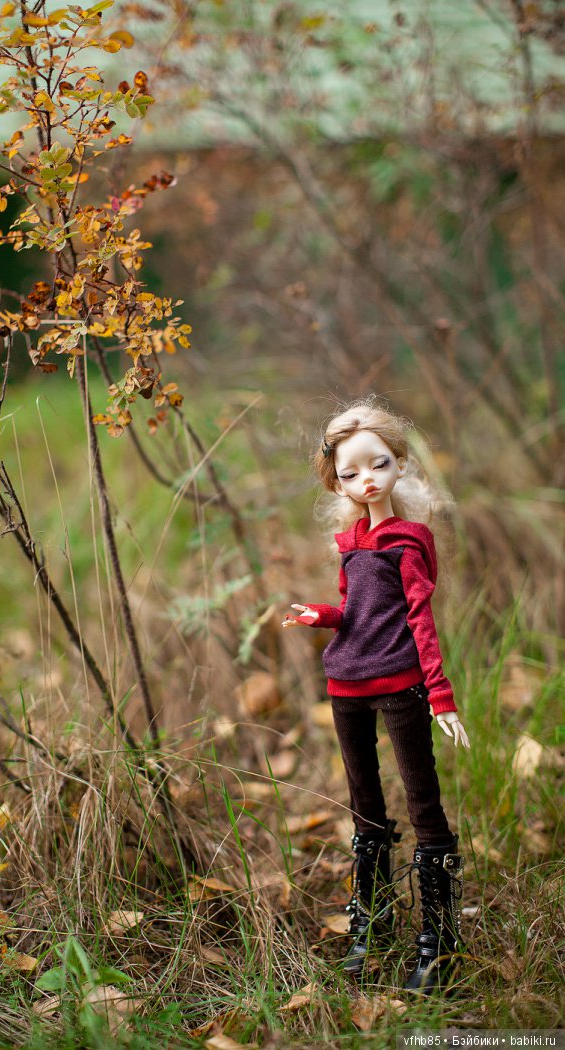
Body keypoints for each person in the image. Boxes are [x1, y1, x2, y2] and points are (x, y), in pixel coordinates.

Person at [282, 400, 469, 994]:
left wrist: (440, 695)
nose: (366, 480)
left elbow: (420, 619)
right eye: (351, 473)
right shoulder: (353, 544)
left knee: (422, 798)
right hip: (345, 683)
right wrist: (323, 615)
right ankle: (373, 920)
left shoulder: (407, 542)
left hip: (400, 683)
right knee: (364, 802)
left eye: (378, 465)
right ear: (338, 482)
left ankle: (437, 938)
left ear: (398, 466)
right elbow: (357, 612)